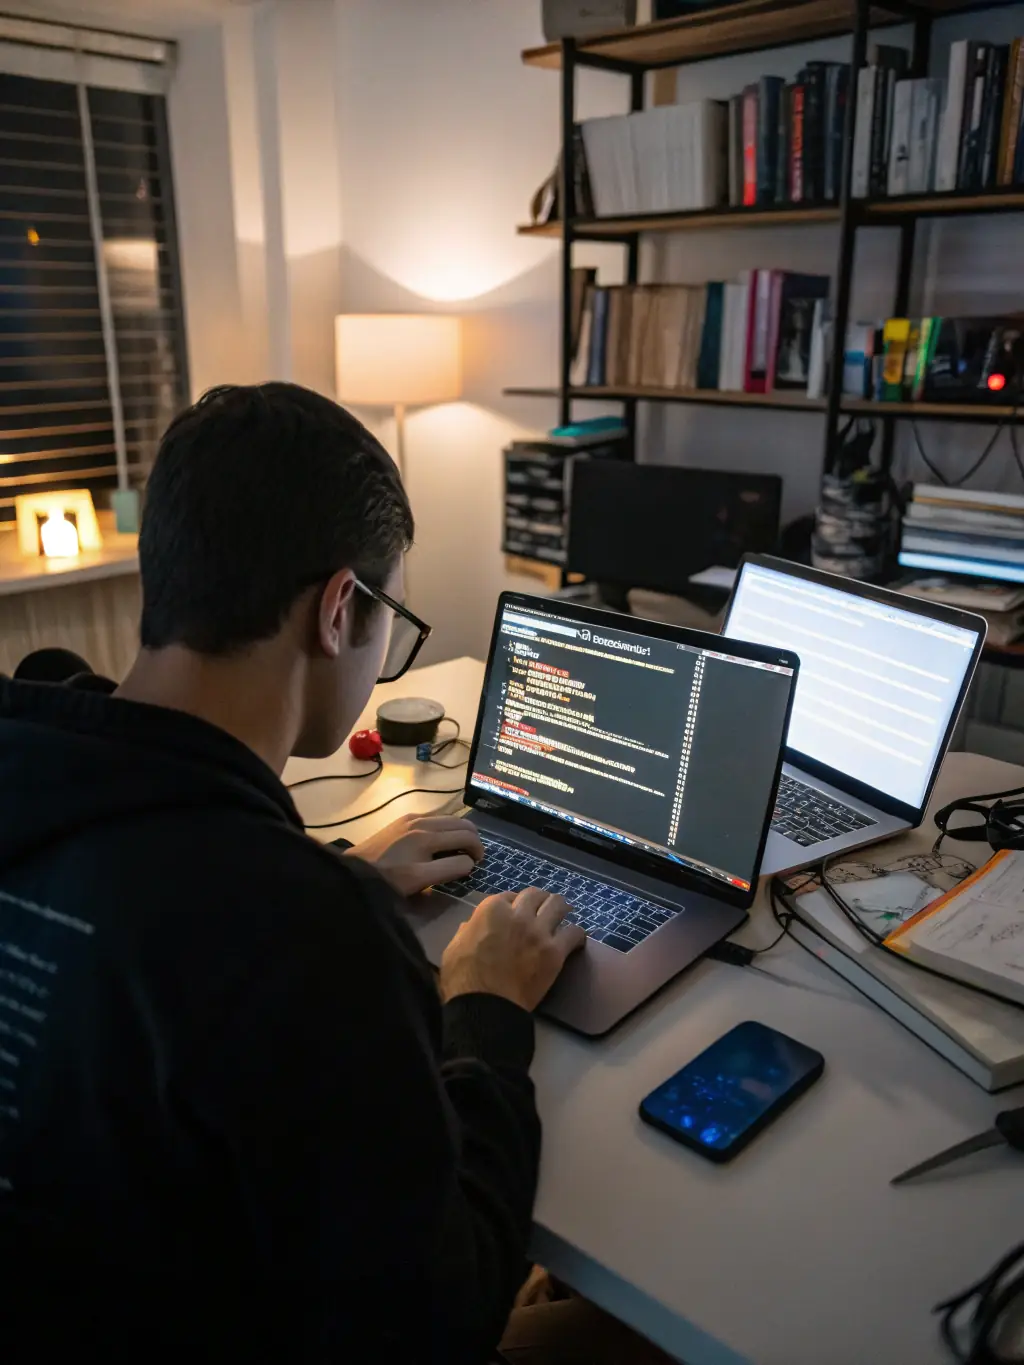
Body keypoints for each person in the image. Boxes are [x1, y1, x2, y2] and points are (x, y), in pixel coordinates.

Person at [0, 383, 592, 1364]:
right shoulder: (302, 930)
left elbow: (151, 918)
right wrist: (486, 1009)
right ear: (336, 609)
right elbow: (439, 1319)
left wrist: (323, 870)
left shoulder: (46, 780)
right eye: (389, 616)